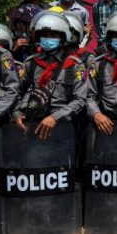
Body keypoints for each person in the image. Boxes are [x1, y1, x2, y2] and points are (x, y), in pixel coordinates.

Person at [13, 12, 88, 140]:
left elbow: (80, 100)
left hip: (62, 129)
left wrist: (55, 117)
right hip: (31, 126)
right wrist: (17, 113)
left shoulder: (74, 65)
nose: (48, 38)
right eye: (44, 35)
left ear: (63, 37)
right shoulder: (31, 63)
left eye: (53, 35)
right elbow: (16, 91)